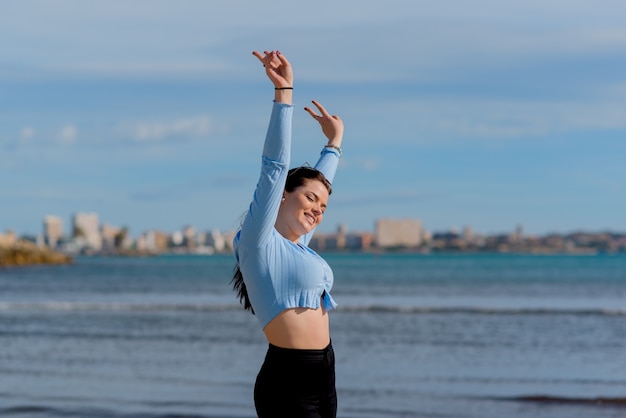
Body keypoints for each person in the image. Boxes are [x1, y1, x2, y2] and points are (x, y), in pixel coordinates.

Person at [231, 50, 344, 418]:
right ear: (282, 196)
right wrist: (285, 95)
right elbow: (274, 167)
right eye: (310, 199)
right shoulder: (259, 243)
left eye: (324, 207)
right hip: (289, 383)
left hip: (325, 377)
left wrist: (334, 144)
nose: (318, 209)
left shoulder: (297, 247)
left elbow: (318, 188)